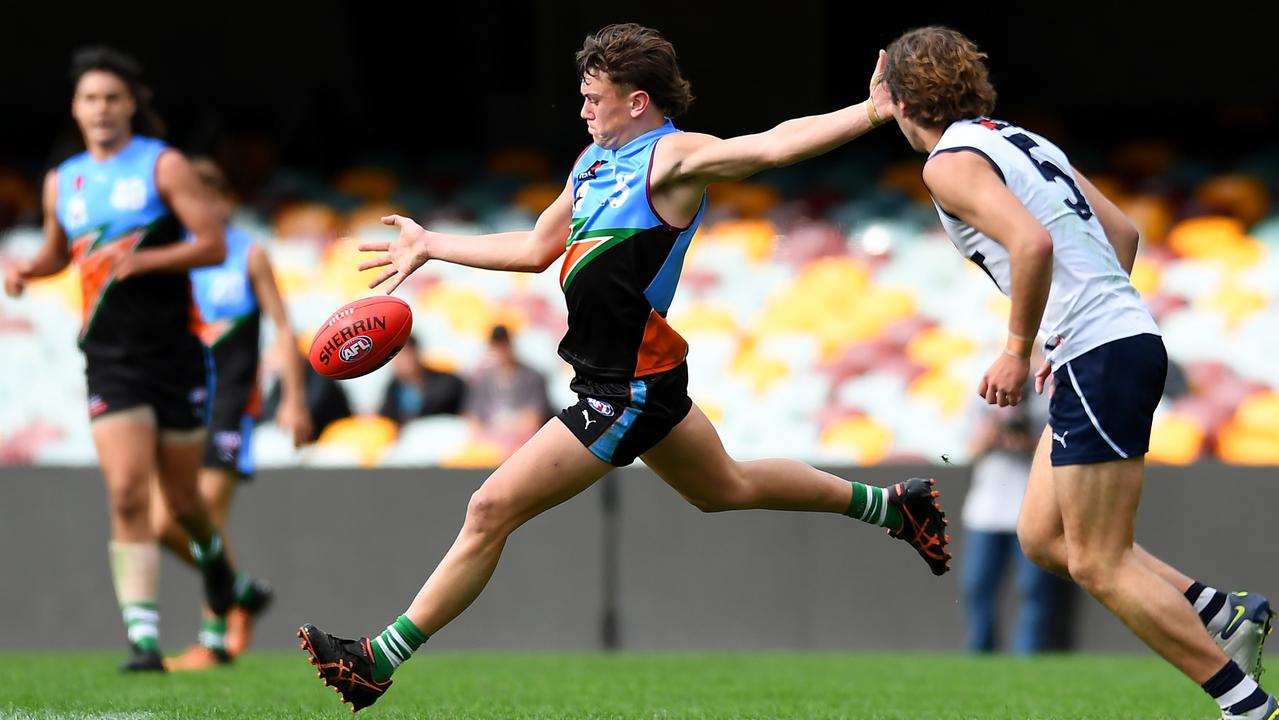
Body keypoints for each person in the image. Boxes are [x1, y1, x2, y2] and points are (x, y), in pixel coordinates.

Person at [297, 23, 950, 712]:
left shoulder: (669, 158)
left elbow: (768, 146)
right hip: (626, 377)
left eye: (592, 97)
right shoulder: (591, 163)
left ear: (636, 101)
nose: (581, 109)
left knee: (488, 507)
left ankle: (377, 658)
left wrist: (872, 111)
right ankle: (896, 508)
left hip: (627, 387)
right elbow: (534, 248)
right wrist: (433, 246)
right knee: (723, 486)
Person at [879, 26, 1274, 719]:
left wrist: (1019, 346)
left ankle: (1246, 705)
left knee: (1097, 559)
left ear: (904, 100)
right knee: (1042, 537)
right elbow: (1122, 232)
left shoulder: (946, 161)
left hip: (1099, 349)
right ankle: (1221, 610)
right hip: (1113, 342)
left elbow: (1028, 244)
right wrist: (1077, 330)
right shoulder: (1016, 138)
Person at [2, 46, 243, 671]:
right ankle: (143, 638)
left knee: (185, 502)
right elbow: (61, 252)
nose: (102, 109)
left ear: (133, 103)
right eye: (90, 99)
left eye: (112, 97)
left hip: (175, 355)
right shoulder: (64, 180)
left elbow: (214, 244)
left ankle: (218, 570)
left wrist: (149, 260)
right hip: (109, 355)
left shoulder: (163, 168)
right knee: (128, 489)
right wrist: (30, 268)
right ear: (76, 109)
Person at [150, 157, 313, 669]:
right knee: (161, 522)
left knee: (206, 518)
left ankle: (215, 639)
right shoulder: (176, 257)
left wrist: (293, 398)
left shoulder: (249, 254)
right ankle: (241, 590)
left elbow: (284, 328)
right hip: (180, 401)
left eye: (206, 195)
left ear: (222, 200)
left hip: (230, 405)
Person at [960, 386, 1072, 654]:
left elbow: (1061, 448)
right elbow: (968, 449)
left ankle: (1027, 656)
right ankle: (979, 652)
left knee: (1033, 589)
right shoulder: (981, 400)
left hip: (1031, 508)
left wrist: (1029, 442)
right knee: (977, 587)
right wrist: (993, 431)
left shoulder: (1046, 400)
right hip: (985, 512)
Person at [462, 324, 549, 454]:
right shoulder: (482, 379)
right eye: (496, 345)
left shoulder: (533, 376)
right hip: (490, 441)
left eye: (503, 344)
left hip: (521, 442)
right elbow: (473, 418)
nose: (501, 350)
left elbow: (534, 419)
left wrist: (506, 428)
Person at [378, 333, 466, 425]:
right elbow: (387, 417)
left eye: (404, 355)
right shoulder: (393, 388)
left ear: (416, 352)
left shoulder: (448, 383)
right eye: (394, 357)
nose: (400, 361)